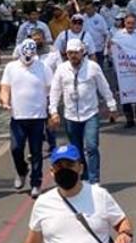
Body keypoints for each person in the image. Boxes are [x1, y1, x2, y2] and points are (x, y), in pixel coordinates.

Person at [49, 39, 116, 184]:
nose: (73, 56)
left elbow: (103, 87)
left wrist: (112, 106)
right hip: (71, 116)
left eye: (76, 53)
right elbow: (55, 90)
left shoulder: (92, 67)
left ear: (82, 52)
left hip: (90, 113)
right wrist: (53, 111)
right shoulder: (61, 69)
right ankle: (84, 177)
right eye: (70, 53)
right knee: (77, 150)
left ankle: (94, 180)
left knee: (91, 146)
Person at [1, 39, 53, 198]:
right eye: (26, 56)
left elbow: (51, 89)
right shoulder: (11, 67)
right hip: (18, 117)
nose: (28, 60)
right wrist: (5, 101)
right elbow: (5, 88)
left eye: (31, 57)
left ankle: (36, 182)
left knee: (36, 151)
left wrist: (51, 109)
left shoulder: (43, 67)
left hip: (38, 116)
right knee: (16, 148)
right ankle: (21, 171)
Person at [113, 14, 136, 128]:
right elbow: (113, 50)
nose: (130, 25)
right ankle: (129, 119)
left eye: (132, 23)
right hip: (124, 69)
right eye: (128, 23)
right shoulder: (118, 35)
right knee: (125, 93)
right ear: (124, 23)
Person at [82, 0, 110, 68]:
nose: (88, 11)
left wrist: (105, 47)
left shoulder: (99, 18)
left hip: (98, 48)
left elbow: (106, 33)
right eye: (86, 9)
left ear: (94, 9)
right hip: (87, 49)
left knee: (98, 68)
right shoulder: (83, 18)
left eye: (89, 9)